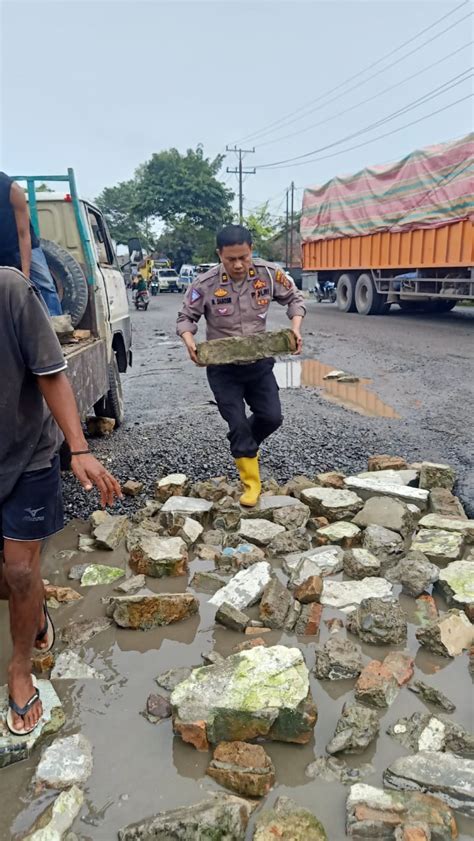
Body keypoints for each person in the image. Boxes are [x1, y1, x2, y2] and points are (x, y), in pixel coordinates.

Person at [0, 266, 122, 736]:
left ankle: (18, 668)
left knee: (20, 570)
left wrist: (81, 449)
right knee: (6, 579)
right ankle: (34, 611)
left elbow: (51, 374)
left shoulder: (11, 291)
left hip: (28, 451)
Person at [177, 224, 305, 507]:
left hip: (259, 364)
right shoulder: (205, 284)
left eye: (243, 257)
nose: (238, 264)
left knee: (272, 418)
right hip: (224, 370)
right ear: (219, 255)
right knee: (237, 423)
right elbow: (186, 317)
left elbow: (294, 298)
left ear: (251, 251)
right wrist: (189, 341)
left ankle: (243, 442)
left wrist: (295, 328)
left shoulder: (268, 275)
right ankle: (251, 484)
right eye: (230, 259)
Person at [0, 172, 63, 317]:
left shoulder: (12, 190)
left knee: (44, 284)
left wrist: (26, 274)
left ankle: (57, 326)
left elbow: (24, 234)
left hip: (22, 244)